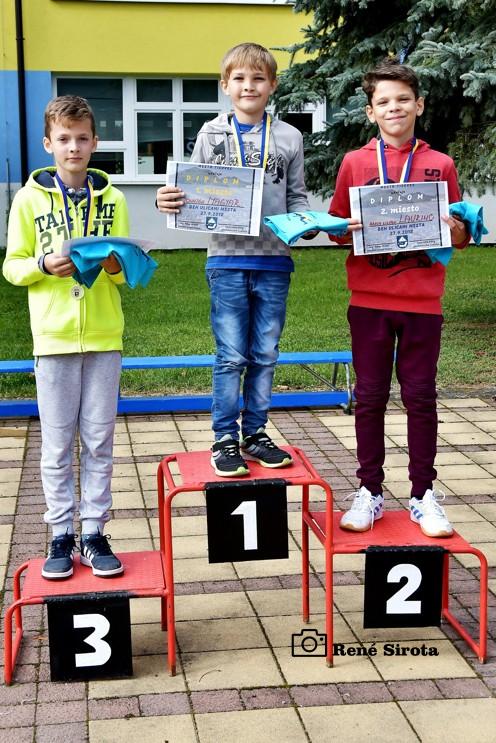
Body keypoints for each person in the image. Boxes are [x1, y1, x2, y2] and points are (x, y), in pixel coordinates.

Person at [157, 42, 321, 477]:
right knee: (231, 355)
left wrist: (307, 223)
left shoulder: (289, 136)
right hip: (226, 260)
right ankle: (224, 438)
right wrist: (167, 200)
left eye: (258, 78)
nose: (249, 86)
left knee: (265, 353)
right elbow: (191, 191)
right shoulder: (210, 134)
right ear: (225, 85)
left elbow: (297, 196)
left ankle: (256, 433)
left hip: (274, 260)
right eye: (240, 79)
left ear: (273, 85)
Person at [328, 58, 470, 538]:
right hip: (369, 300)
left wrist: (457, 230)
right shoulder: (354, 163)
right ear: (371, 111)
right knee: (369, 398)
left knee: (420, 398)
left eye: (403, 99)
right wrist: (344, 229)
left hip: (423, 301)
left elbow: (459, 236)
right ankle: (369, 490)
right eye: (384, 101)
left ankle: (422, 495)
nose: (395, 108)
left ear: (419, 105)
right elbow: (336, 229)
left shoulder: (440, 164)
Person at [3, 95, 130, 578]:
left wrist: (115, 265)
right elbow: (13, 267)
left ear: (95, 142)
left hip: (104, 337)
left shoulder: (114, 200)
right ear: (48, 144)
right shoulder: (28, 200)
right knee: (57, 446)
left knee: (99, 441)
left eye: (81, 138)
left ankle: (94, 532)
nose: (73, 147)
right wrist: (42, 264)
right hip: (53, 339)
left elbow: (125, 272)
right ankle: (60, 533)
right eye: (64, 139)